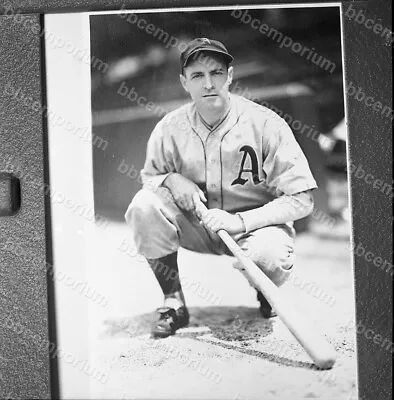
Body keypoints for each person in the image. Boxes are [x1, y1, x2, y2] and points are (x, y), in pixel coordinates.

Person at [125, 38, 317, 338]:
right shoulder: (169, 127)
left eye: (216, 72)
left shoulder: (266, 124)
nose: (208, 83)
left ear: (230, 75)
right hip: (198, 225)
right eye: (197, 75)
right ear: (184, 82)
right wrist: (170, 179)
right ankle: (173, 301)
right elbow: (148, 176)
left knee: (269, 256)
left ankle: (266, 290)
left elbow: (302, 198)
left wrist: (242, 221)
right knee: (143, 206)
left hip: (255, 229)